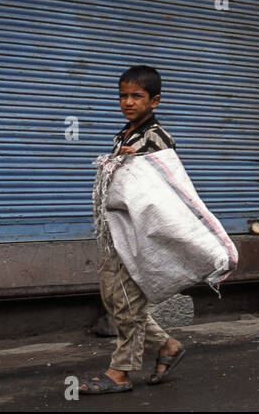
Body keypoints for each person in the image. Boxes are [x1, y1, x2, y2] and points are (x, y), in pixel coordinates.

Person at [80, 65, 187, 395]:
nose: (128, 102)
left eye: (136, 96)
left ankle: (120, 371)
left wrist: (139, 161)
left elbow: (168, 186)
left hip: (139, 234)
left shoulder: (157, 138)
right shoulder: (123, 134)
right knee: (114, 297)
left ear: (154, 101)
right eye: (123, 96)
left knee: (126, 301)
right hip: (117, 230)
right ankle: (166, 345)